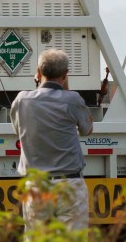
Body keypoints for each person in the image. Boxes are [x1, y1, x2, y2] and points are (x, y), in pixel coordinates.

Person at [13, 48, 92, 231]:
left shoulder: (21, 100)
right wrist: (66, 88)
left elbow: (20, 130)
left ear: (38, 72)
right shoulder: (72, 99)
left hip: (36, 186)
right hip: (69, 185)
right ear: (65, 75)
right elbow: (87, 130)